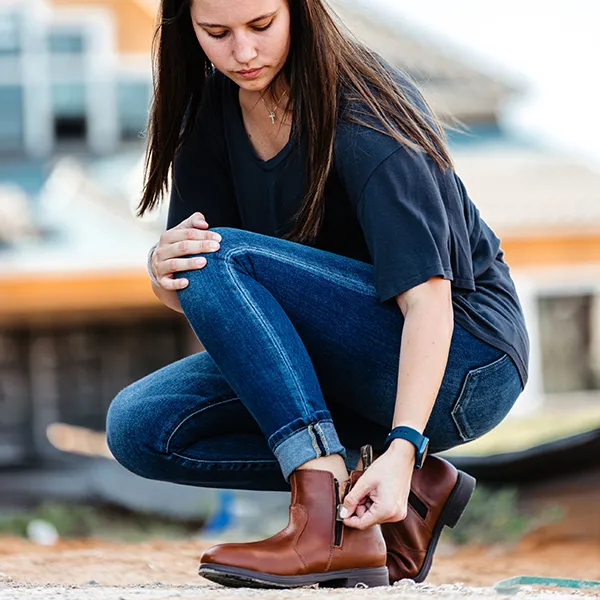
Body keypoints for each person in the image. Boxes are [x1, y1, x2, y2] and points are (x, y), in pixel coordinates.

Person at [106, 0, 529, 590]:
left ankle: (325, 521)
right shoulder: (209, 110)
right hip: (345, 358)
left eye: (260, 26)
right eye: (217, 32)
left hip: (464, 359)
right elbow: (211, 288)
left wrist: (405, 445)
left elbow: (428, 299)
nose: (243, 52)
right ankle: (388, 500)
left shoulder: (365, 108)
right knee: (140, 428)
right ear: (186, 29)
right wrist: (161, 271)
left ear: (300, 12)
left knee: (217, 253)